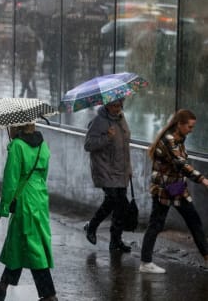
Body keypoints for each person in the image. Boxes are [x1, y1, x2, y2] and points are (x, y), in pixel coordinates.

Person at [0, 124, 58, 301]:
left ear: (18, 127)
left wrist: (4, 206)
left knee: (32, 247)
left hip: (24, 200)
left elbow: (11, 178)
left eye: (11, 126)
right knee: (17, 243)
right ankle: (2, 286)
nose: (9, 128)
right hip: (39, 195)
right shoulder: (42, 144)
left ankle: (49, 295)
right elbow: (44, 172)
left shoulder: (17, 146)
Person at [139, 109, 208, 273]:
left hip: (176, 188)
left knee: (193, 221)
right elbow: (181, 164)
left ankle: (207, 257)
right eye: (190, 127)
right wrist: (203, 180)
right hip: (164, 189)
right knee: (156, 224)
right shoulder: (169, 140)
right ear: (180, 124)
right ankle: (145, 263)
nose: (191, 130)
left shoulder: (178, 138)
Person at [83, 98, 132, 253]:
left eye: (119, 105)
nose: (117, 109)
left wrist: (129, 167)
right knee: (112, 200)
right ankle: (92, 226)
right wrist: (107, 137)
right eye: (114, 106)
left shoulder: (121, 119)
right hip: (105, 169)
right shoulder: (99, 121)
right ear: (107, 105)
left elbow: (125, 145)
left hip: (121, 169)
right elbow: (88, 145)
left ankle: (115, 241)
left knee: (121, 205)